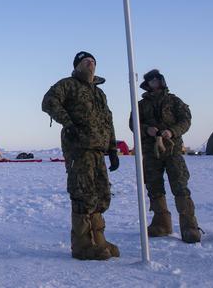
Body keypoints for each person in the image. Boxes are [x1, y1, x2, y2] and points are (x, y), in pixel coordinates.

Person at [41, 51, 120, 261]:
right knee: (82, 194)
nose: (90, 64)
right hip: (79, 149)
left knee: (101, 194)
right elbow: (48, 101)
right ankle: (82, 245)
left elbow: (107, 120)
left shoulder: (99, 93)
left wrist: (112, 148)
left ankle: (98, 240)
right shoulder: (68, 84)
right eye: (86, 62)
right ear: (77, 66)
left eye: (93, 61)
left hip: (98, 150)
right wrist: (69, 123)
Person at [134, 69, 201, 243]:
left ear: (162, 81)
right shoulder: (140, 105)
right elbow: (133, 123)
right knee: (154, 187)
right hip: (150, 151)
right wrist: (146, 129)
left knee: (180, 186)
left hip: (172, 150)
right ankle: (161, 224)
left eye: (157, 79)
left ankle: (189, 227)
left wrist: (172, 132)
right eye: (151, 80)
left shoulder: (174, 101)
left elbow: (186, 120)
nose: (154, 82)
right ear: (147, 84)